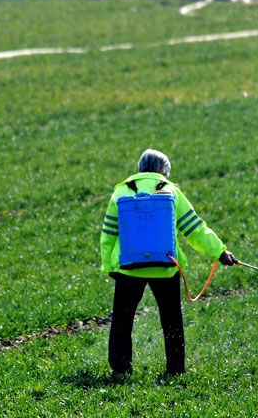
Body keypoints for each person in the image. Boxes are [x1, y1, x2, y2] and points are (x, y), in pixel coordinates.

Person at [99, 149, 238, 377]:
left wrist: (109, 266)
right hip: (165, 267)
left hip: (128, 269)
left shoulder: (121, 192)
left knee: (122, 321)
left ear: (140, 167)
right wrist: (220, 252)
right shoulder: (171, 191)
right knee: (172, 320)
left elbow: (108, 235)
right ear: (164, 170)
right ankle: (175, 369)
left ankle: (121, 369)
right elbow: (195, 228)